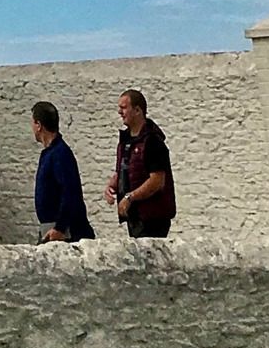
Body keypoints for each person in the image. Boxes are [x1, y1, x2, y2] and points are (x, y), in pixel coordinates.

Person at [103, 86, 176, 237]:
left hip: (153, 217)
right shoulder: (126, 142)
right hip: (135, 217)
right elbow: (125, 170)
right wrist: (113, 184)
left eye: (124, 107)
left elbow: (157, 181)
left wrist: (130, 197)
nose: (119, 112)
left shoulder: (152, 141)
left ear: (137, 110)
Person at [31, 100, 94, 241]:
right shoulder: (50, 153)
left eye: (33, 123)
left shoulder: (60, 154)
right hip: (51, 229)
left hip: (66, 232)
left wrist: (60, 227)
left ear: (39, 125)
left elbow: (70, 192)